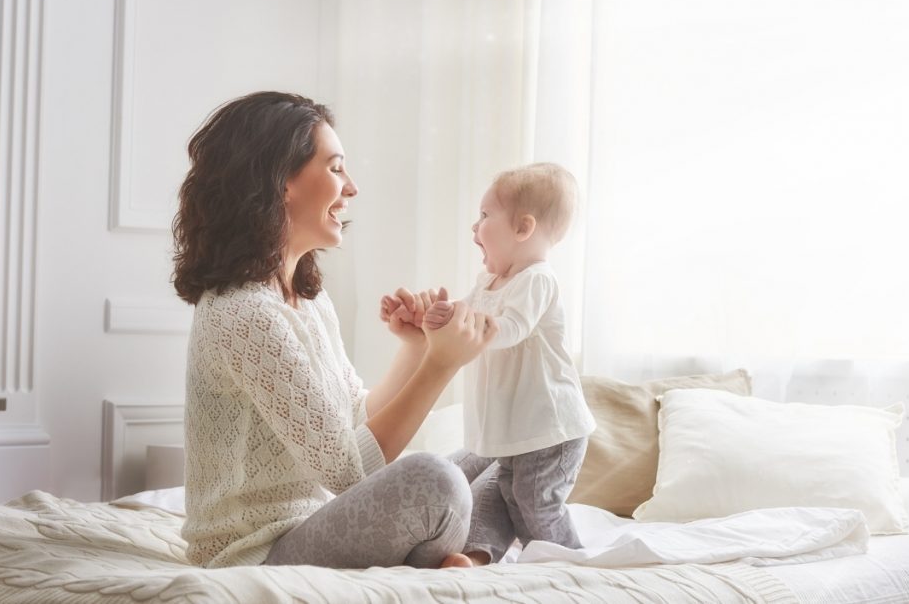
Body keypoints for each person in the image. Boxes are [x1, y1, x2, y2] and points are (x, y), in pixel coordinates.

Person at [172, 91, 496, 569]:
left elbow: (351, 421)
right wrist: (441, 364)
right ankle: (443, 559)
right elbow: (350, 470)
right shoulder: (244, 313)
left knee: (489, 456)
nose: (352, 187)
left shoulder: (307, 300)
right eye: (336, 167)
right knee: (435, 480)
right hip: (255, 552)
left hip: (312, 523)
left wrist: (414, 349)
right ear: (281, 180)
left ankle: (442, 559)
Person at [384, 162, 596, 565]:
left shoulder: (538, 279)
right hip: (518, 432)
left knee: (535, 505)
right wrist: (432, 317)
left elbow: (512, 328)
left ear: (522, 228)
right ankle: (481, 556)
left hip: (551, 430)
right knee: (504, 497)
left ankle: (574, 565)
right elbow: (463, 318)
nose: (474, 227)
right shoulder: (487, 283)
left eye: (484, 216)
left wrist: (467, 326)